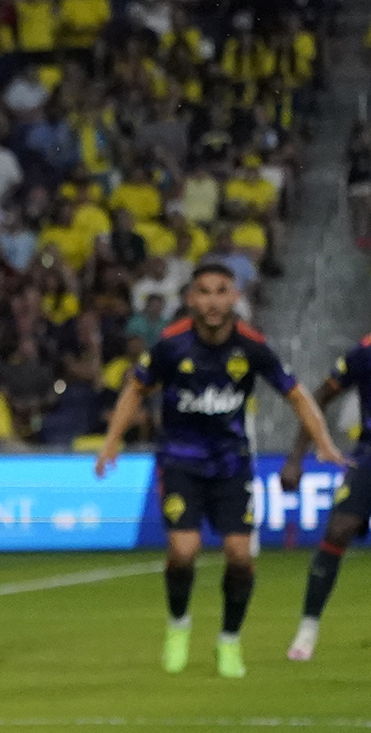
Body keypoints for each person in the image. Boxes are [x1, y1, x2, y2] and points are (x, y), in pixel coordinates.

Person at [96, 263, 344, 677]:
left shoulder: (251, 345)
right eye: (204, 292)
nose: (212, 301)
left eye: (221, 291)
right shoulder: (171, 345)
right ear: (191, 299)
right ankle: (178, 625)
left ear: (234, 297)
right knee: (183, 550)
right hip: (181, 460)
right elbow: (136, 388)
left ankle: (229, 640)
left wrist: (322, 441)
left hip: (231, 463)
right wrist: (111, 442)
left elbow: (297, 394)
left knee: (240, 555)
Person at [281, 336, 371, 661]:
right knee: (338, 530)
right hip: (368, 454)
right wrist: (296, 457)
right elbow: (318, 397)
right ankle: (308, 628)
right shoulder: (364, 352)